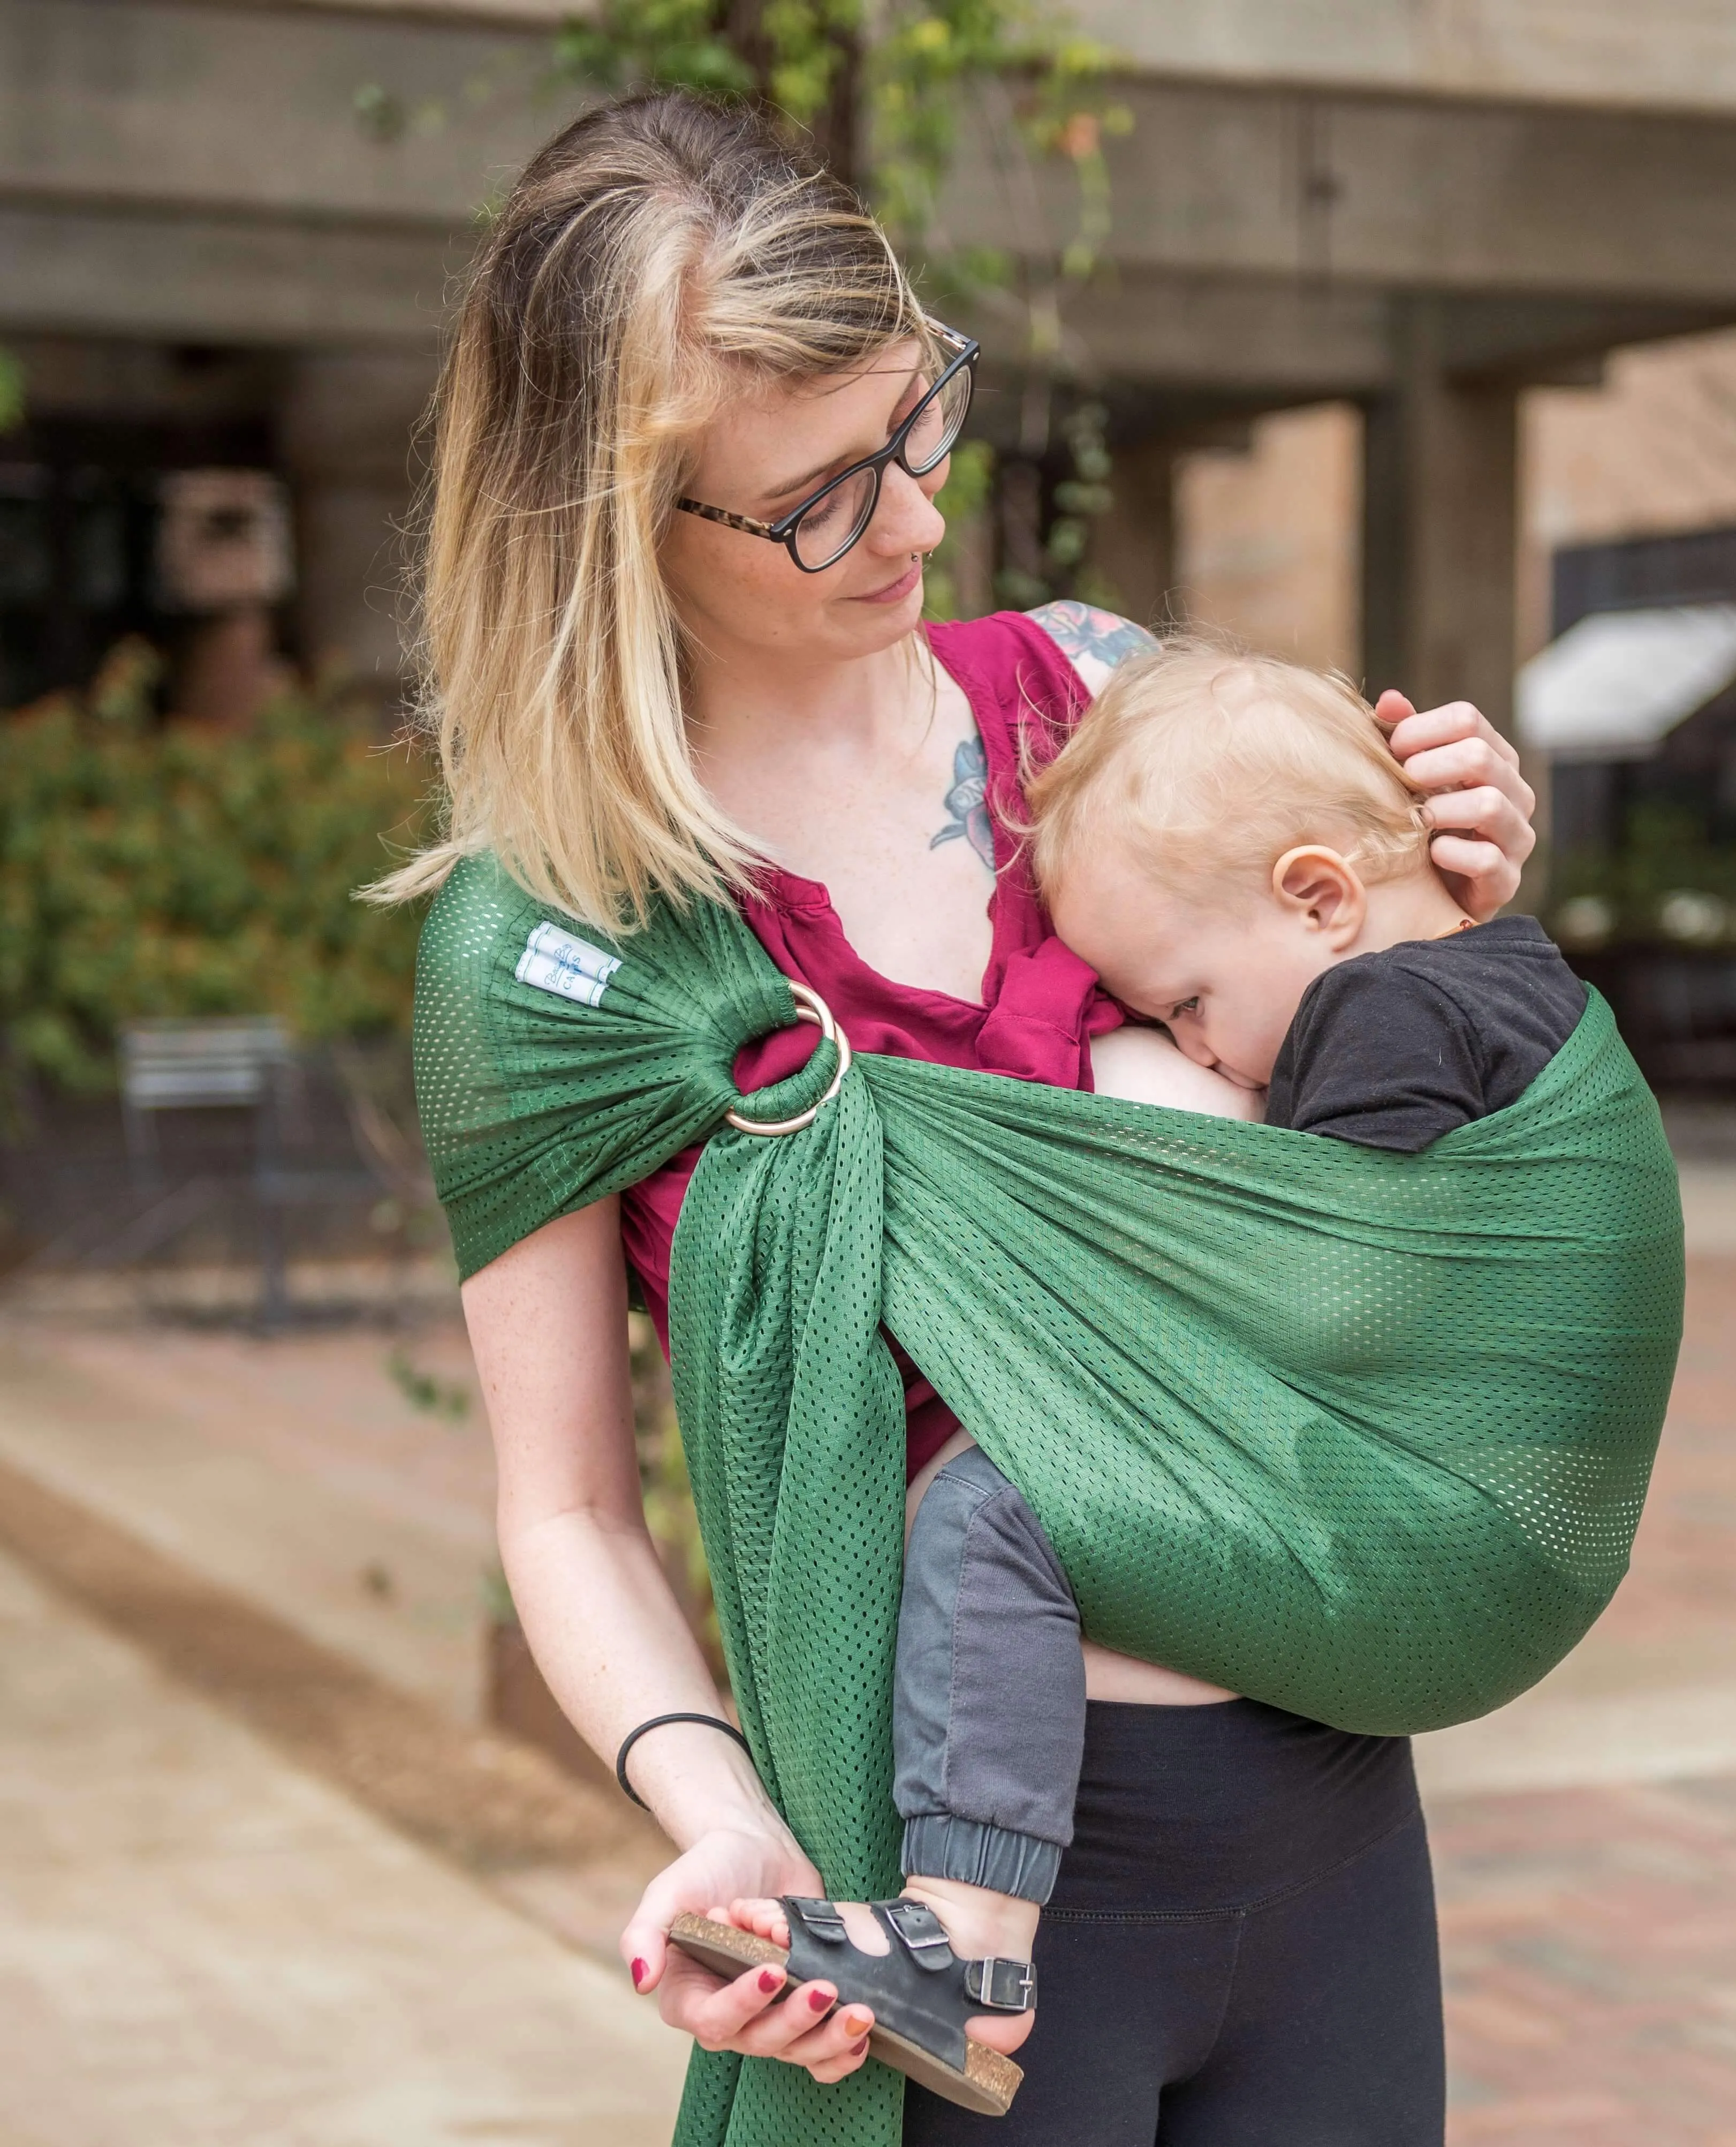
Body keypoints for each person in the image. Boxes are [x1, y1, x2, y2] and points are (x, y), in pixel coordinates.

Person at [388, 88, 1536, 2145]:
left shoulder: (1105, 711)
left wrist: (1446, 888)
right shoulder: (555, 954)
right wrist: (721, 1819)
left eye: (923, 426)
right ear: (607, 527)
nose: (916, 520)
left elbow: (1385, 1164)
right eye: (822, 497)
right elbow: (561, 1508)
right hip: (951, 1925)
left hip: (1337, 1817)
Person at [702, 639, 1586, 2109]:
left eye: (1180, 1004)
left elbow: (1329, 1276)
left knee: (985, 1515)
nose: (1190, 1047)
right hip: (1295, 1762)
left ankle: (971, 1936)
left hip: (1305, 1729)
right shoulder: (1504, 975)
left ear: (1318, 897)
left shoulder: (1384, 1016)